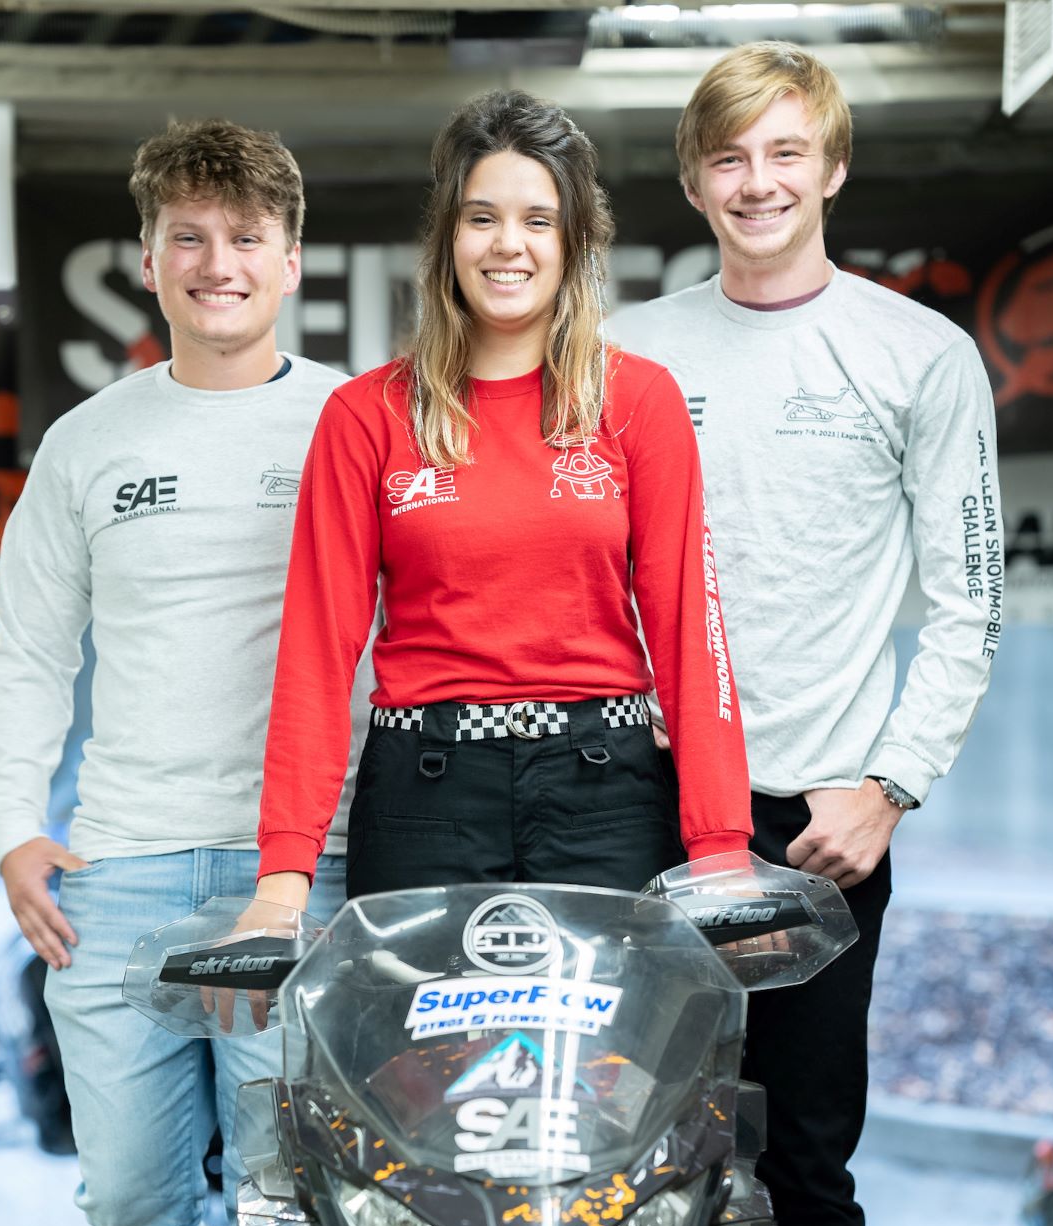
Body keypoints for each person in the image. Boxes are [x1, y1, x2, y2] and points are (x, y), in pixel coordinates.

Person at [611, 42, 1002, 1226]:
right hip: (641, 802)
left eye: (786, 152)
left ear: (833, 166)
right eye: (729, 157)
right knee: (623, 1153)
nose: (759, 181)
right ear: (692, 182)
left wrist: (889, 788)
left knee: (802, 1171)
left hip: (817, 828)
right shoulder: (622, 350)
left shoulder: (919, 354)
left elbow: (969, 602)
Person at [0, 119, 370, 1226]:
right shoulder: (86, 444)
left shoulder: (355, 424)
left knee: (291, 1218)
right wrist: (11, 829)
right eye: (186, 236)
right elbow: (29, 651)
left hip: (300, 873)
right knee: (136, 1225)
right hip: (118, 880)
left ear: (292, 259)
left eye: (246, 236)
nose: (217, 263)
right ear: (148, 257)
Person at [254, 90, 751, 906]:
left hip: (607, 799)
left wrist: (722, 843)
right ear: (448, 238)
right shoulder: (366, 414)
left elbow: (690, 632)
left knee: (610, 1043)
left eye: (538, 220)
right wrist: (284, 870)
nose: (507, 246)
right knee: (430, 1043)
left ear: (574, 241)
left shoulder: (639, 401)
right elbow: (314, 650)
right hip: (424, 800)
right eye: (481, 218)